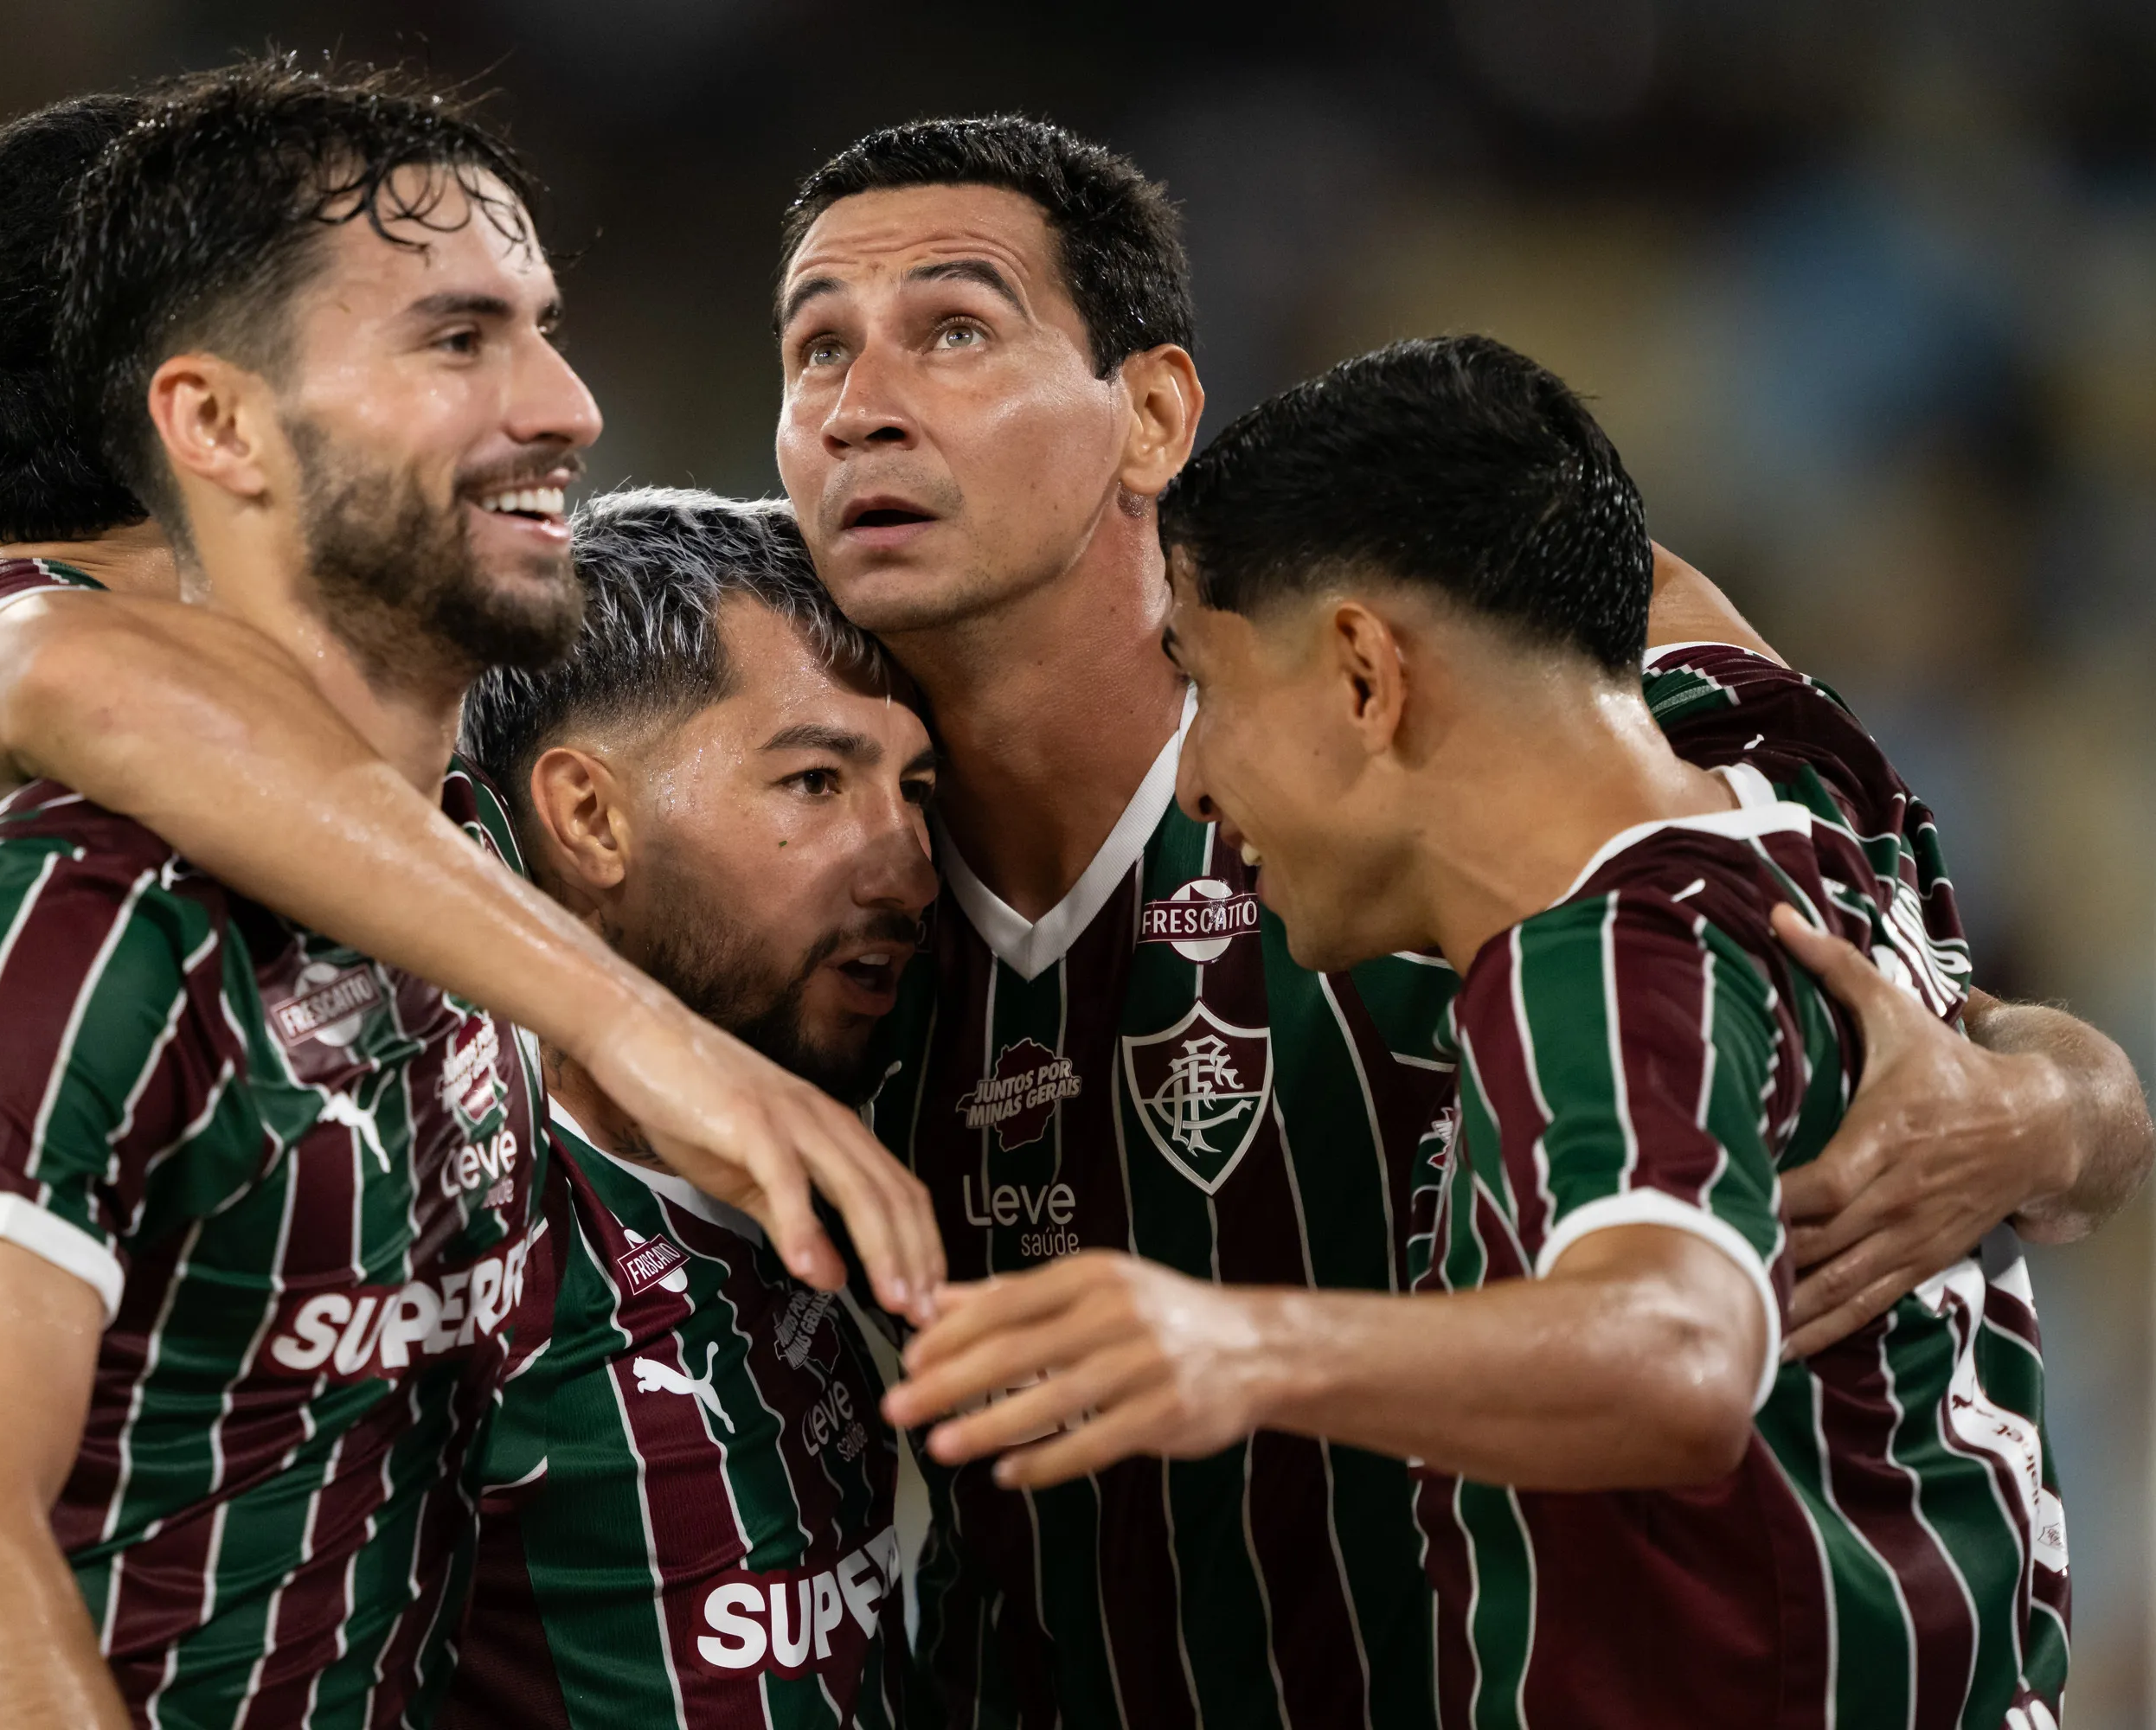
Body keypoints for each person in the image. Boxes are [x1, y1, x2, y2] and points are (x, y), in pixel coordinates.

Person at [0, 73, 936, 1730]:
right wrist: (631, 1024)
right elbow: (88, 681)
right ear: (206, 420)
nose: (555, 404)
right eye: (441, 336)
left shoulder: (402, 845)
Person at [768, 116, 2146, 1727]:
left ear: (1149, 412)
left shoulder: (1543, 687)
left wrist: (2041, 1112)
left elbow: (1985, 1064)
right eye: (812, 354)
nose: (861, 409)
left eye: (953, 330)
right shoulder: (774, 833)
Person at [446, 488, 935, 1729]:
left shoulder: (806, 1168)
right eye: (817, 781)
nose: (908, 867)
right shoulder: (448, 1227)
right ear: (590, 815)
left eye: (916, 789)